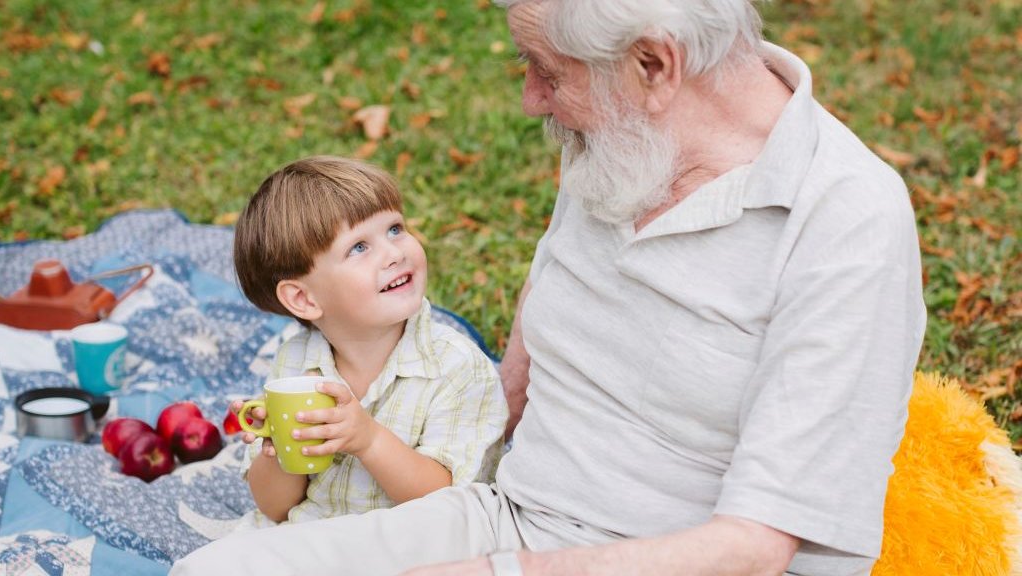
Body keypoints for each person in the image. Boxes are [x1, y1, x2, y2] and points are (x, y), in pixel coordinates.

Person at [172, 1, 926, 574]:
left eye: (549, 71)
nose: (533, 97)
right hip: (511, 518)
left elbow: (754, 548)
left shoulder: (845, 220)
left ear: (653, 67)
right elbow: (553, 273)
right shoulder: (623, 139)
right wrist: (487, 413)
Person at [227, 155, 508, 526]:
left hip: (416, 549)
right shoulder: (296, 362)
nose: (394, 253)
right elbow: (275, 508)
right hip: (312, 542)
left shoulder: (456, 366)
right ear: (304, 299)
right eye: (359, 247)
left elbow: (451, 507)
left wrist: (369, 440)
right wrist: (281, 448)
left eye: (394, 228)